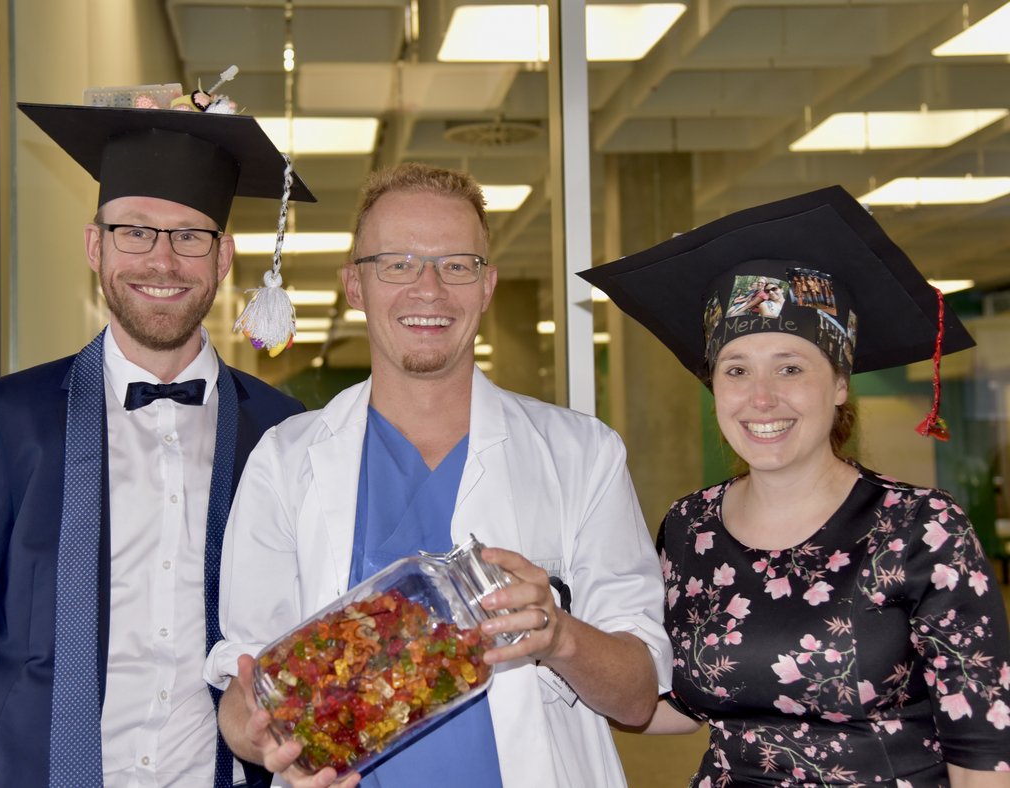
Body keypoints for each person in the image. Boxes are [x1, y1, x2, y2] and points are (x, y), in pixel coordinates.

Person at [0, 87, 314, 787]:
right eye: (135, 232)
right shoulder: (5, 422)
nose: (161, 260)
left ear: (224, 257)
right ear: (95, 244)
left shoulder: (283, 431)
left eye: (189, 236)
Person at [203, 162, 672, 787]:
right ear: (354, 285)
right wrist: (260, 740)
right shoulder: (285, 460)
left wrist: (559, 635)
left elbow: (638, 695)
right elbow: (246, 679)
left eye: (456, 265)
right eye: (397, 263)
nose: (429, 288)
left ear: (487, 286)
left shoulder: (582, 453)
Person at [582, 186, 1010, 785]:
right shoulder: (690, 527)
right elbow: (676, 706)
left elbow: (982, 752)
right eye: (736, 370)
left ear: (839, 384)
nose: (762, 398)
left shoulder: (921, 529)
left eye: (790, 367)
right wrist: (561, 649)